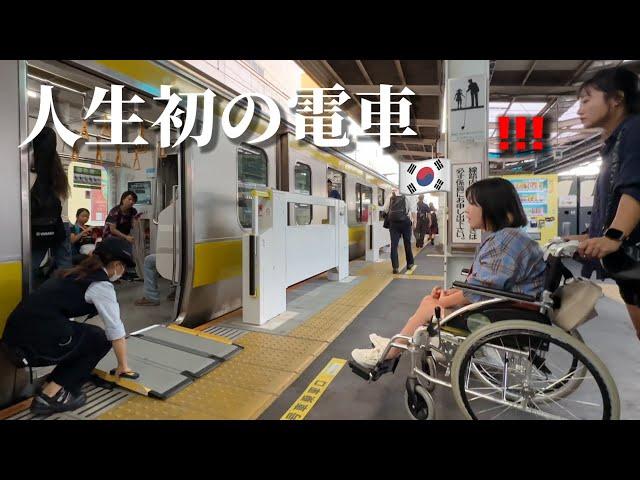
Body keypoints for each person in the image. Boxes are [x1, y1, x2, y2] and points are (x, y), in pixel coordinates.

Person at [352, 178, 546, 368]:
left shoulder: (505, 242)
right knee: (431, 302)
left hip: (499, 319)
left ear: (491, 207)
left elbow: (479, 292)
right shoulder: (510, 237)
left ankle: (389, 353)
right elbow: (486, 286)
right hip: (506, 310)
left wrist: (444, 300)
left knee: (430, 306)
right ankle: (395, 344)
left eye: (472, 204)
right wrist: (450, 293)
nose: (466, 209)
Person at [1, 237, 138, 414]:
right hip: (31, 344)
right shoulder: (100, 285)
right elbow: (115, 330)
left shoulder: (75, 271)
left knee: (82, 336)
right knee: (99, 339)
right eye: (124, 267)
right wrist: (123, 367)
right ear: (117, 264)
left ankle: (51, 383)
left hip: (13, 335)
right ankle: (49, 396)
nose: (123, 272)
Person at [564, 66, 640, 340]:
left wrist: (613, 236)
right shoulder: (613, 144)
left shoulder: (634, 130)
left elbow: (634, 190)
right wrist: (588, 236)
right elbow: (612, 201)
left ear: (617, 98)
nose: (580, 109)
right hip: (628, 264)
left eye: (586, 100)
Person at [29, 127, 72, 287]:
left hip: (36, 226)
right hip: (59, 224)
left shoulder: (34, 174)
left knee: (29, 267)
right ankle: (63, 295)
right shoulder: (57, 173)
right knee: (64, 266)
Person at [384, 189, 415, 274]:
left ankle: (395, 267)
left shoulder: (391, 195)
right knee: (407, 243)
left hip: (393, 223)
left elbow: (385, 209)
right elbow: (411, 209)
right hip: (405, 222)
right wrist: (414, 222)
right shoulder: (408, 195)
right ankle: (410, 264)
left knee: (394, 245)